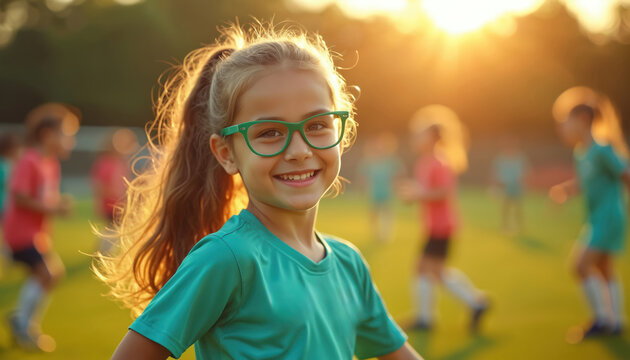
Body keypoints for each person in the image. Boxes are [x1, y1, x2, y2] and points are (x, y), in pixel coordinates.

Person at [95, 23, 423, 360]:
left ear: (343, 129)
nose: (299, 150)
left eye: (317, 125)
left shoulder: (349, 264)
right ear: (226, 153)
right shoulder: (227, 258)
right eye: (269, 132)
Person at [398, 105, 488, 333]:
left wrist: (417, 194)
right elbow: (427, 190)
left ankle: (432, 317)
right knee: (433, 271)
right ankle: (471, 304)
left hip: (443, 226)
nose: (416, 138)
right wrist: (413, 192)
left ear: (433, 138)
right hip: (433, 226)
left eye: (420, 134)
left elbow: (443, 192)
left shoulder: (440, 161)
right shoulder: (424, 162)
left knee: (426, 269)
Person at [550, 103, 630, 338]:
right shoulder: (581, 152)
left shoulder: (602, 150)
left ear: (583, 119)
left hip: (609, 217)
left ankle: (601, 321)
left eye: (566, 121)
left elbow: (626, 174)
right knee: (604, 269)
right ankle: (616, 322)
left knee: (580, 265)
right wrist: (564, 190)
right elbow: (584, 183)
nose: (562, 127)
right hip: (596, 218)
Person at [3, 105, 77, 351]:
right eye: (66, 134)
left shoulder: (50, 163)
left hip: (37, 234)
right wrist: (54, 209)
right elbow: (20, 196)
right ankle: (23, 324)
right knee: (48, 273)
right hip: (20, 234)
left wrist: (58, 205)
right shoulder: (30, 159)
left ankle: (20, 320)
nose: (71, 141)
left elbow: (44, 199)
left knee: (49, 274)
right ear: (47, 134)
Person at [91, 128, 137, 254]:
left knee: (115, 228)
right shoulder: (106, 163)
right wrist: (98, 202)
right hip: (110, 204)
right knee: (114, 228)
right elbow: (99, 186)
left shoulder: (121, 163)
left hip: (120, 203)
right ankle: (103, 252)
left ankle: (104, 251)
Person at [358, 132, 404, 242]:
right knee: (374, 213)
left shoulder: (390, 160)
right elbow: (363, 175)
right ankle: (375, 233)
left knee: (387, 212)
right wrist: (364, 188)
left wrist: (397, 185)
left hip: (387, 191)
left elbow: (398, 173)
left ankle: (386, 234)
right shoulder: (370, 161)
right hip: (374, 191)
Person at [491, 135, 528, 234]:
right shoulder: (501, 158)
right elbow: (496, 171)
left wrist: (522, 181)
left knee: (517, 207)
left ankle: (520, 227)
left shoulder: (520, 157)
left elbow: (524, 171)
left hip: (516, 186)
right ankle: (504, 226)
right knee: (505, 208)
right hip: (504, 186)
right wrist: (496, 184)